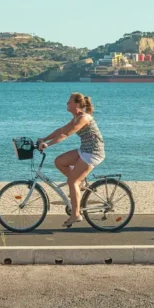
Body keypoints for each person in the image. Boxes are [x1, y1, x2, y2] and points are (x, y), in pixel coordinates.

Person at [37, 92, 105, 228]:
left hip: (93, 153)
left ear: (77, 104)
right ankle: (80, 184)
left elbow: (67, 134)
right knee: (59, 162)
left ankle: (76, 214)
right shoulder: (76, 117)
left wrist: (48, 145)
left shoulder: (84, 118)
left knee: (72, 181)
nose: (67, 103)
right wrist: (43, 139)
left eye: (69, 101)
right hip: (84, 150)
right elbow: (60, 130)